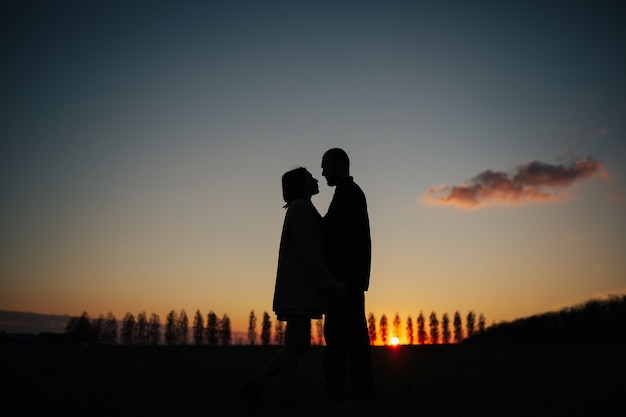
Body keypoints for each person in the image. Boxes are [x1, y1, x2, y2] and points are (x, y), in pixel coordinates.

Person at [239, 167, 345, 413]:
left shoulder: (303, 208)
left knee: (300, 345)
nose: (316, 179)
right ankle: (286, 401)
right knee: (296, 343)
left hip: (301, 290)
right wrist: (330, 283)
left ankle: (256, 387)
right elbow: (309, 251)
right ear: (300, 185)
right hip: (298, 290)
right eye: (309, 177)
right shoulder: (300, 209)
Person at [321, 148, 373, 406]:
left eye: (325, 166)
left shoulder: (349, 194)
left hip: (345, 282)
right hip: (347, 281)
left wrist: (345, 281)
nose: (322, 172)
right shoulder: (347, 193)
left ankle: (345, 393)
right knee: (346, 337)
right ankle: (352, 393)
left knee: (346, 339)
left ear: (339, 164)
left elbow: (346, 239)